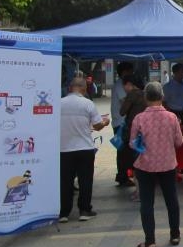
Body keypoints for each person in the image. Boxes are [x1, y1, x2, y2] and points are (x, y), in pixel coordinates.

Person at [130, 82, 183, 247]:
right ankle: (175, 235)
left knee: (147, 203)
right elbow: (179, 142)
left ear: (145, 97)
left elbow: (132, 144)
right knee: (171, 200)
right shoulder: (172, 117)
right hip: (167, 164)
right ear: (162, 96)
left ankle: (150, 241)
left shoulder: (139, 118)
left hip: (145, 165)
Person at [59, 75, 109, 222]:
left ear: (70, 88)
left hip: (64, 149)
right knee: (85, 180)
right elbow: (97, 126)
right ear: (84, 88)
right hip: (84, 148)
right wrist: (105, 122)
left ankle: (64, 213)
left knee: (65, 181)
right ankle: (84, 210)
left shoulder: (59, 103)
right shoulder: (88, 104)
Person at [118, 74, 147, 192]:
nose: (124, 88)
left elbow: (122, 112)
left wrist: (124, 101)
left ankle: (138, 191)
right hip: (144, 130)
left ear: (129, 84)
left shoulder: (131, 95)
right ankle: (142, 189)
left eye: (124, 86)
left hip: (132, 131)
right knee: (141, 159)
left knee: (133, 161)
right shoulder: (145, 94)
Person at [111, 61, 134, 185]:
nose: (132, 74)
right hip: (121, 123)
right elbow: (125, 101)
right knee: (122, 150)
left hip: (122, 122)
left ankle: (123, 175)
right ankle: (122, 176)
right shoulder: (120, 85)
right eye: (130, 71)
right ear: (125, 72)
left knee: (124, 150)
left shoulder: (122, 83)